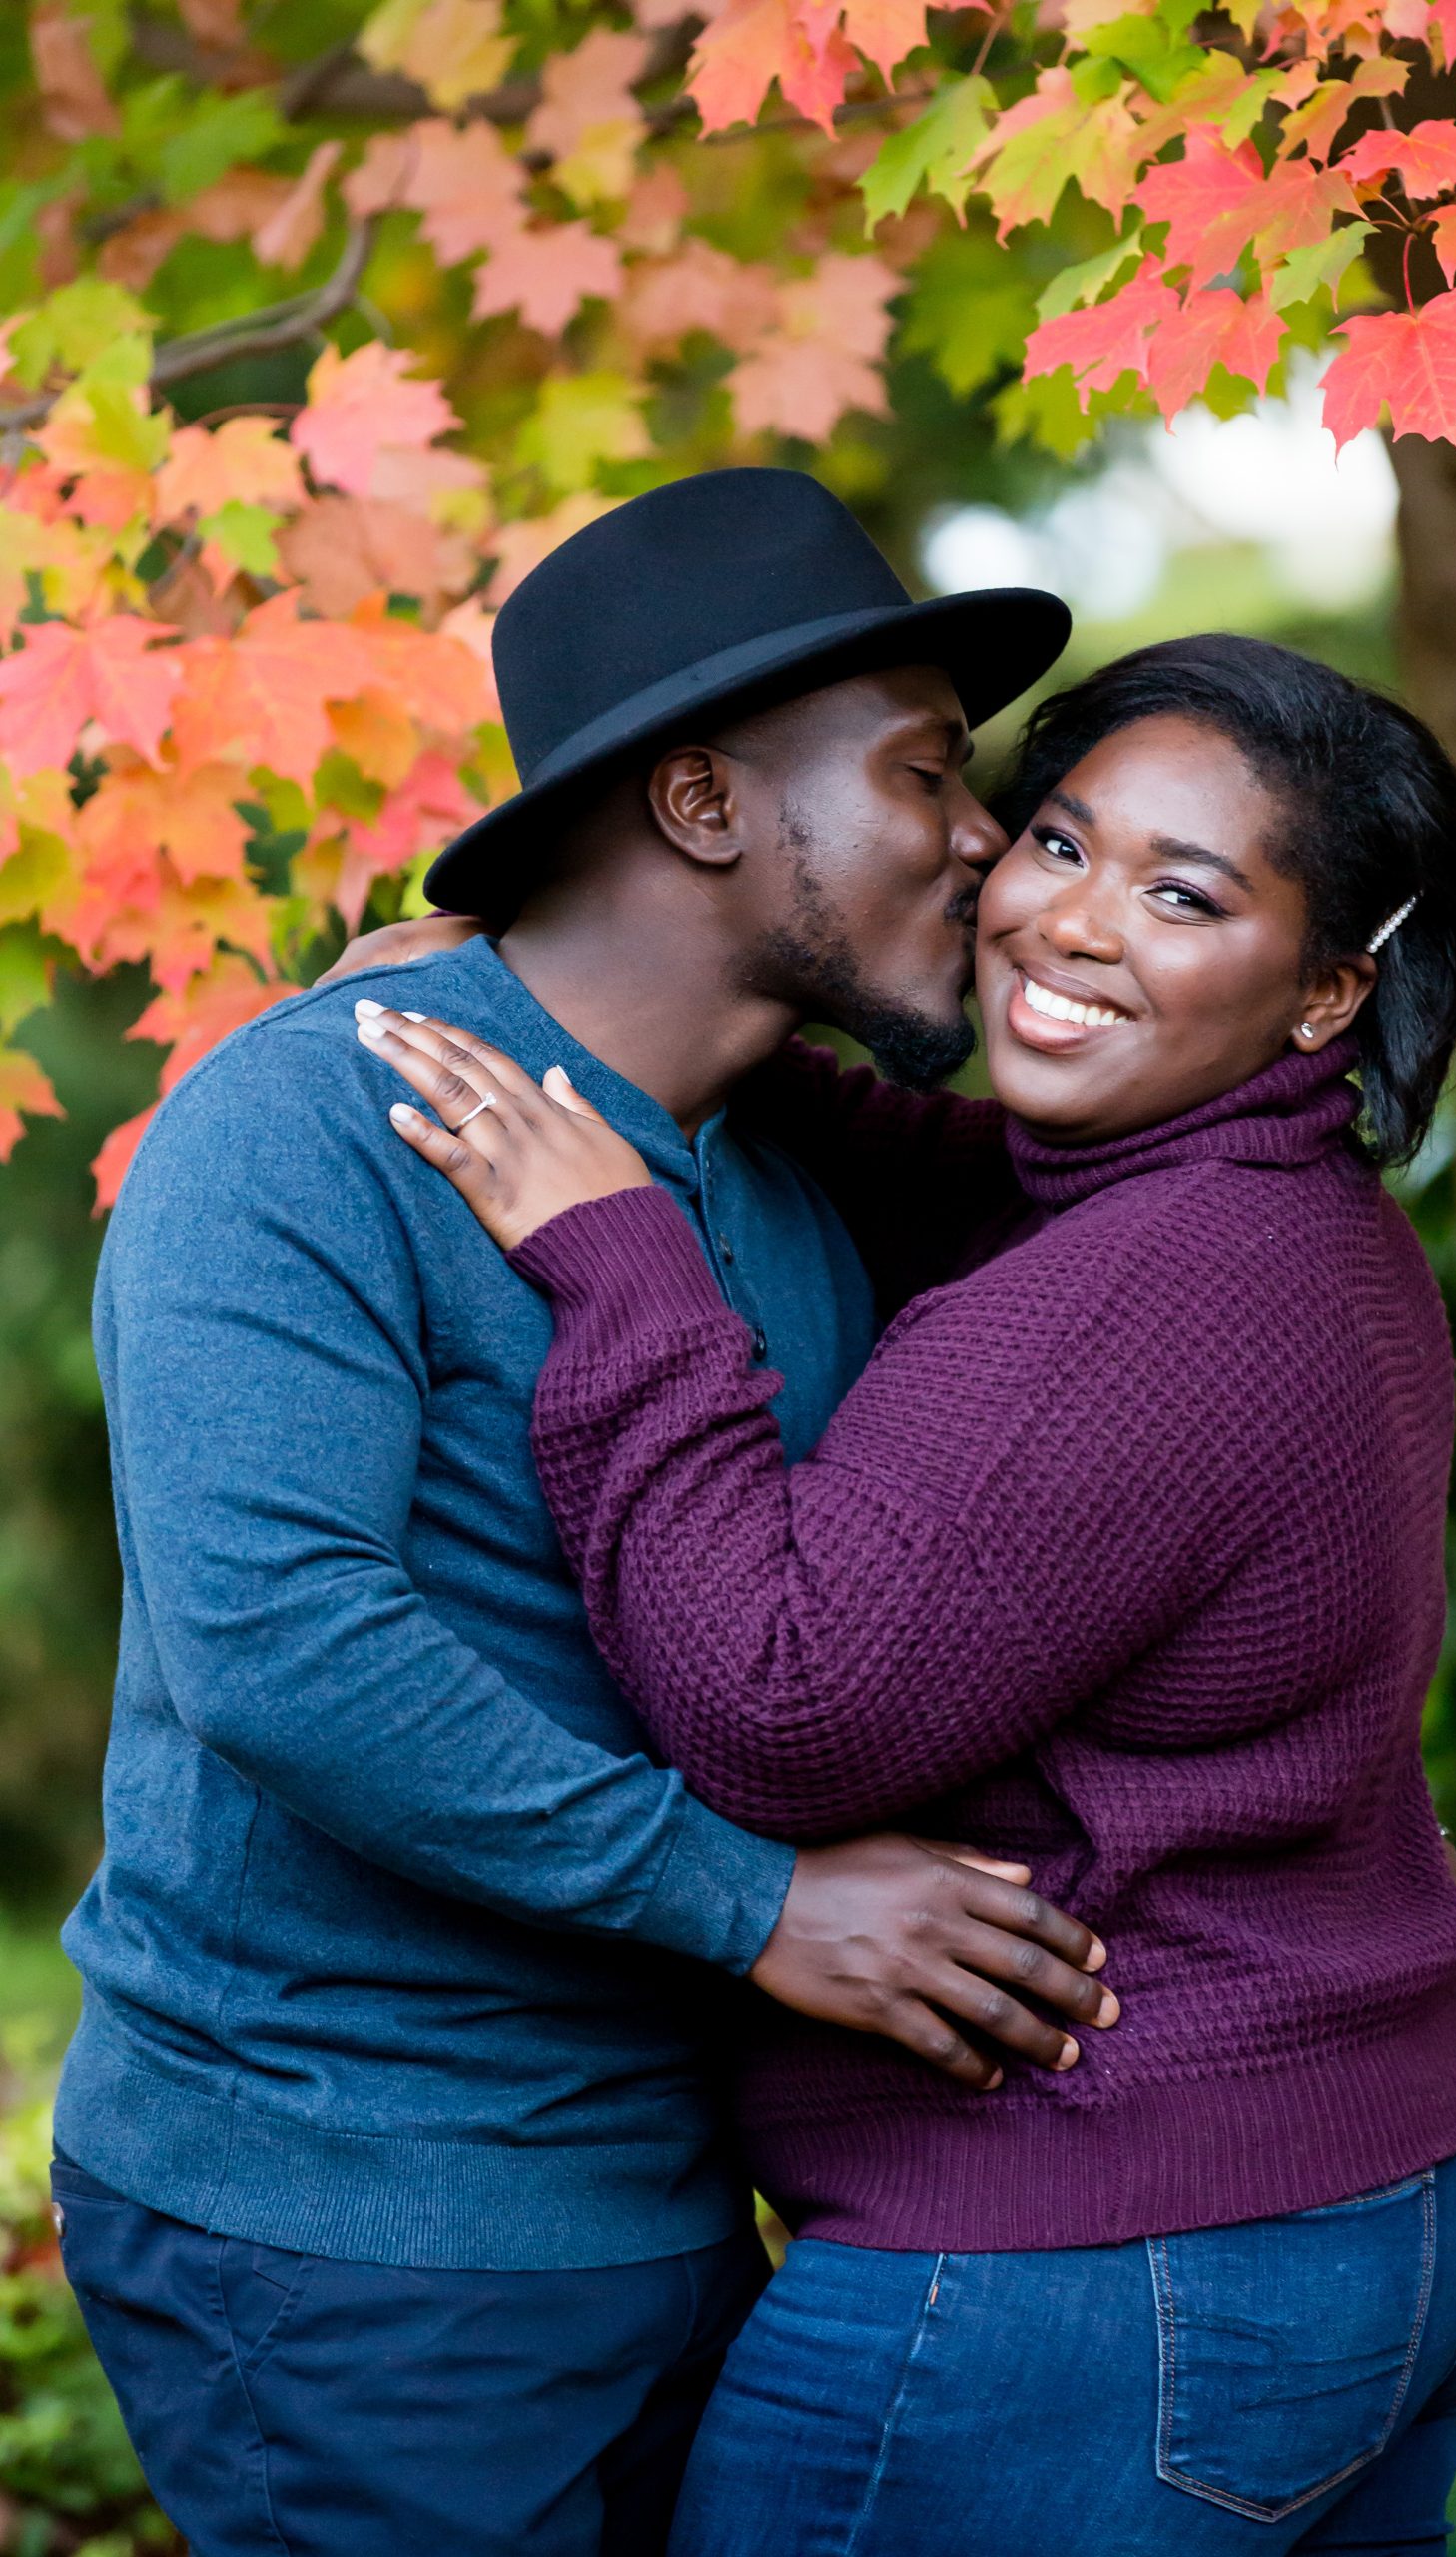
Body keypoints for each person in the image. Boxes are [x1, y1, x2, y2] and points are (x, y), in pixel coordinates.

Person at [353, 630, 1456, 2553]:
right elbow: (957, 1167)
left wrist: (627, 1266)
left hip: (1096, 2260)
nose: (1066, 925)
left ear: (1332, 987)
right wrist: (608, 1027)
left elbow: (779, 1702)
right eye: (1056, 844)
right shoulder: (1282, 1217)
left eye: (1180, 894)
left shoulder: (1151, 1293)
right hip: (1365, 2191)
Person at [51, 470, 1127, 2557]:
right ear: (709, 805)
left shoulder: (791, 1185)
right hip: (346, 2226)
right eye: (925, 771)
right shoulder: (305, 1128)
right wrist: (762, 1904)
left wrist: (1401, 1888)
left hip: (661, 2197)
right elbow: (287, 1648)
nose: (989, 841)